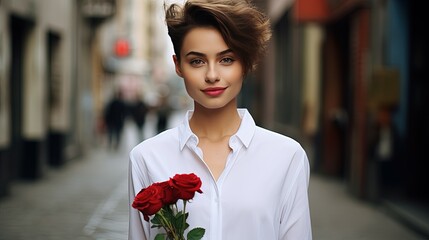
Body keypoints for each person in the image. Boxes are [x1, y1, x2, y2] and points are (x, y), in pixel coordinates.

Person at [128, 0, 312, 239]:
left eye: (227, 59)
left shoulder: (287, 157)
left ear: (246, 63)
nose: (212, 75)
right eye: (197, 61)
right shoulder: (147, 158)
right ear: (178, 66)